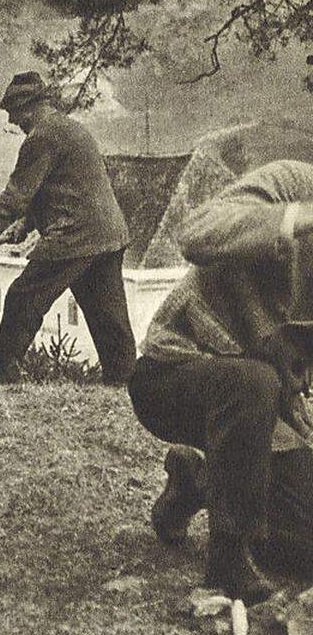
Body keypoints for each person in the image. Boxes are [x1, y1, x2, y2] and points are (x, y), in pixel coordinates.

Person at [129, 159, 313, 604]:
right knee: (253, 381)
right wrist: (296, 219)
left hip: (267, 411)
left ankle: (198, 481)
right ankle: (227, 561)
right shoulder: (290, 184)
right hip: (173, 376)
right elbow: (196, 231)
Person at [0, 71, 136, 385]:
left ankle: (1, 382)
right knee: (109, 318)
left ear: (28, 107)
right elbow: (60, 187)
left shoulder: (41, 136)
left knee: (22, 299)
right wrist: (26, 224)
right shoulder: (70, 129)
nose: (13, 122)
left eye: (14, 114)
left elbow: (14, 197)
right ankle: (126, 383)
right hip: (108, 235)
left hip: (75, 236)